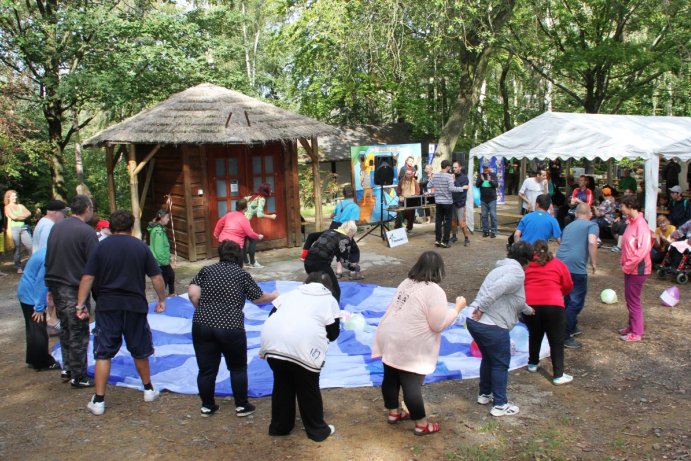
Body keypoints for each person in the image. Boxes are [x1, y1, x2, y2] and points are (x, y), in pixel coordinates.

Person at [75, 210, 167, 415]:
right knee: (140, 348)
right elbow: (157, 277)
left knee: (103, 352)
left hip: (108, 306)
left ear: (111, 227)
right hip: (134, 305)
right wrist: (162, 299)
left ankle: (98, 400)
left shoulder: (101, 248)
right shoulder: (140, 247)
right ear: (132, 227)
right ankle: (148, 389)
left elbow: (87, 278)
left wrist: (80, 305)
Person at [372, 251, 466, 435]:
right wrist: (457, 309)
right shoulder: (434, 291)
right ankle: (422, 423)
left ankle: (393, 412)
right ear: (439, 270)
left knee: (390, 376)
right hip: (408, 342)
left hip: (388, 334)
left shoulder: (406, 282)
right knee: (410, 382)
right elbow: (438, 324)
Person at [188, 240, 278, 417]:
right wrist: (274, 295)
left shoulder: (206, 270)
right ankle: (241, 405)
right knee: (237, 368)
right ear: (239, 256)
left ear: (220, 254)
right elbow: (258, 298)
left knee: (206, 369)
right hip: (230, 325)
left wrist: (202, 309)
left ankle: (207, 405)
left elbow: (192, 293)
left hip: (202, 324)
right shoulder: (241, 274)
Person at [259, 272, 340, 442]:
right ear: (329, 288)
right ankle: (317, 430)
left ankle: (279, 427)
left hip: (272, 344)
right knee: (308, 387)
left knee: (282, 383)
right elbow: (333, 334)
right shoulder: (329, 300)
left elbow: (271, 316)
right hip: (303, 348)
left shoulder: (290, 294)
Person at [466, 241, 535, 417]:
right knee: (500, 363)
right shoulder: (517, 272)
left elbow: (513, 297)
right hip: (490, 323)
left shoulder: (501, 268)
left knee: (489, 358)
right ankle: (500, 404)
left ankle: (484, 394)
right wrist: (482, 308)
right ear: (526, 260)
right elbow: (498, 289)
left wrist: (527, 309)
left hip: (475, 323)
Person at [45, 194, 97, 388]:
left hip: (56, 284)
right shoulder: (86, 232)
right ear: (87, 209)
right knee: (78, 330)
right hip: (74, 287)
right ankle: (79, 375)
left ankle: (67, 367)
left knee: (66, 327)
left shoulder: (57, 227)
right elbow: (94, 265)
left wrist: (49, 286)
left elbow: (49, 256)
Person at [524, 240, 574, 384]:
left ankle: (533, 363)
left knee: (534, 334)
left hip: (530, 305)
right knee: (556, 340)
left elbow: (520, 283)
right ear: (547, 250)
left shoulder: (526, 265)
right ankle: (558, 375)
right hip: (553, 305)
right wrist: (560, 294)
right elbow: (568, 284)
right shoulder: (558, 264)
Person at [556, 203, 598, 349]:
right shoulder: (591, 225)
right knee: (576, 302)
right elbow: (592, 242)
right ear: (590, 214)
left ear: (576, 214)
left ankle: (571, 325)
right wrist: (593, 262)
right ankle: (564, 335)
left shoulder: (568, 226)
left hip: (560, 264)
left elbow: (561, 242)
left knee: (567, 298)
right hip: (576, 267)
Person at [17, 247, 60, 371]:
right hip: (31, 294)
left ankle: (33, 358)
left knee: (32, 328)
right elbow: (41, 282)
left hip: (25, 291)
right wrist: (39, 307)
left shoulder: (46, 250)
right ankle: (43, 362)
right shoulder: (49, 257)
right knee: (38, 329)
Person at [617, 195, 652, 342]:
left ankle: (637, 332)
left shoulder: (641, 224)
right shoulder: (632, 222)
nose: (621, 209)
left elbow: (643, 249)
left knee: (634, 301)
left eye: (623, 206)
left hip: (638, 269)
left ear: (630, 206)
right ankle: (631, 327)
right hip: (631, 268)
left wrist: (628, 265)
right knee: (629, 299)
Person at [303, 220, 360, 304]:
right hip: (320, 265)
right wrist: (355, 267)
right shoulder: (344, 239)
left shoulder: (330, 231)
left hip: (307, 262)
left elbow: (311, 236)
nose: (353, 237)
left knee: (315, 288)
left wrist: (304, 252)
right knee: (335, 290)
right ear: (350, 231)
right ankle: (335, 314)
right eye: (353, 234)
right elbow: (344, 262)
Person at [213, 199, 264, 265]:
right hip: (236, 246)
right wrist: (258, 236)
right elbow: (250, 233)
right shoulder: (244, 219)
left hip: (223, 242)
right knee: (237, 265)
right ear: (246, 208)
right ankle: (250, 263)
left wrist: (216, 234)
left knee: (223, 263)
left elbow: (219, 223)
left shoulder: (229, 214)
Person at [430, 160, 466, 247]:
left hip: (438, 202)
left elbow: (428, 185)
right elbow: (452, 189)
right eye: (450, 167)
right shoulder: (449, 176)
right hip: (447, 202)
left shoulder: (435, 175)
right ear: (447, 167)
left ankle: (437, 240)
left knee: (438, 221)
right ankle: (445, 241)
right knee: (447, 221)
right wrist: (462, 188)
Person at [244, 183, 277, 268]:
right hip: (245, 222)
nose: (271, 191)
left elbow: (245, 205)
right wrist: (271, 216)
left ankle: (246, 262)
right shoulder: (261, 199)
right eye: (270, 189)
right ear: (266, 191)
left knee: (243, 242)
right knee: (253, 240)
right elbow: (259, 214)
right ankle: (253, 263)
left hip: (239, 220)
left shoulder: (252, 196)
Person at [4, 189, 33, 273]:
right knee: (17, 248)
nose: (15, 197)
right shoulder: (7, 207)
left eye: (15, 195)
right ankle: (18, 267)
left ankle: (31, 264)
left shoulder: (20, 205)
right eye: (13, 196)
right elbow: (14, 217)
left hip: (24, 228)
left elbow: (29, 213)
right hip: (14, 229)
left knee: (31, 246)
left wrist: (19, 216)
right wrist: (23, 216)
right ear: (8, 197)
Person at [148, 209, 175, 296]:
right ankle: (162, 300)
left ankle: (171, 294)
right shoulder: (158, 231)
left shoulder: (160, 229)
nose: (168, 219)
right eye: (167, 217)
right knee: (165, 280)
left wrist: (169, 256)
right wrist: (165, 261)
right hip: (161, 261)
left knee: (171, 276)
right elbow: (159, 249)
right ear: (161, 217)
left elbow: (164, 246)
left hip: (163, 259)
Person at [475, 164, 498, 238]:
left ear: (489, 168)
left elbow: (496, 185)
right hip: (483, 200)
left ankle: (494, 231)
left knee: (493, 215)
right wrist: (481, 181)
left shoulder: (493, 175)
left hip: (492, 199)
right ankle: (486, 231)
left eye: (487, 168)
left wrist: (490, 180)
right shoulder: (480, 175)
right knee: (484, 216)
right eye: (484, 168)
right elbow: (477, 185)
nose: (485, 169)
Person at [451, 161, 470, 246]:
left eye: (456, 167)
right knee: (453, 222)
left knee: (461, 222)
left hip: (460, 203)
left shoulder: (464, 178)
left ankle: (466, 238)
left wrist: (455, 181)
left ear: (460, 168)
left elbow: (463, 189)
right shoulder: (451, 176)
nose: (454, 169)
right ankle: (454, 236)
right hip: (452, 202)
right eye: (453, 167)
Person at [395, 168, 421, 232]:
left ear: (411, 174)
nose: (408, 175)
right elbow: (398, 191)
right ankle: (397, 229)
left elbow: (418, 191)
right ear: (405, 174)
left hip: (411, 201)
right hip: (403, 200)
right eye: (407, 174)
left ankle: (409, 228)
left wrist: (415, 196)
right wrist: (400, 196)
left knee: (411, 215)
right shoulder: (401, 181)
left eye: (409, 174)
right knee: (399, 214)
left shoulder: (414, 181)